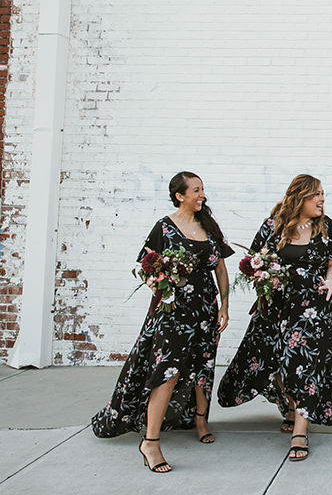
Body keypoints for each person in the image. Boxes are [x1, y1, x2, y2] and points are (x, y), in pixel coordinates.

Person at [91, 172, 233, 473]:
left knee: (202, 367)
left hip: (204, 310)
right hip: (172, 313)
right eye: (196, 190)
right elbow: (146, 266)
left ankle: (200, 420)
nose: (202, 195)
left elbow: (220, 268)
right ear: (179, 195)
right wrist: (159, 286)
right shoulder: (165, 227)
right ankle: (151, 442)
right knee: (167, 371)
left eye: (203, 189)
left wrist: (225, 305)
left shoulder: (207, 225)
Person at [217, 174, 332, 462]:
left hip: (313, 308)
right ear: (299, 198)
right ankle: (290, 404)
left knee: (305, 363)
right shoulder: (272, 227)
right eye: (316, 195)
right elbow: (253, 262)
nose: (322, 199)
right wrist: (262, 278)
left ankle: (300, 428)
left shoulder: (327, 228)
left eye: (323, 194)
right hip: (275, 306)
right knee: (273, 359)